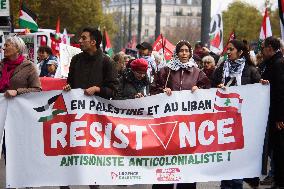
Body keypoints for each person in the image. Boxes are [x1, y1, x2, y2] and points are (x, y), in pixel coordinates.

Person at [62, 27, 118, 189]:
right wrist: (67, 87)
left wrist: (97, 89)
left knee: (92, 154)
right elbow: (70, 83)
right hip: (76, 117)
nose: (80, 41)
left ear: (93, 42)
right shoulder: (76, 60)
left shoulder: (107, 62)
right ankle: (66, 182)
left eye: (83, 38)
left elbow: (114, 90)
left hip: (96, 120)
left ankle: (94, 184)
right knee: (71, 151)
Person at [151, 40, 210, 189]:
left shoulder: (197, 72)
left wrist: (200, 90)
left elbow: (208, 90)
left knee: (187, 162)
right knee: (166, 160)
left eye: (186, 51)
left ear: (190, 53)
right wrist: (161, 92)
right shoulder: (165, 70)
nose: (184, 53)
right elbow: (153, 89)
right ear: (176, 53)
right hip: (168, 125)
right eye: (181, 51)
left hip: (189, 126)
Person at [212, 39, 261, 189]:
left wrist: (263, 85)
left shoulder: (251, 70)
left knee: (239, 154)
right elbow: (211, 87)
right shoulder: (221, 69)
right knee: (226, 154)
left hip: (243, 120)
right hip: (224, 120)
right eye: (227, 49)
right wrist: (217, 87)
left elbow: (258, 93)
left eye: (231, 49)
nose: (228, 52)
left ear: (240, 52)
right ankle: (225, 184)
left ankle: (237, 183)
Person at [0, 35, 41, 189]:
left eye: (7, 45)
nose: (4, 48)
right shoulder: (1, 65)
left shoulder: (29, 67)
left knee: (22, 151)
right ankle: (12, 182)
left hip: (21, 118)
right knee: (7, 152)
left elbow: (37, 90)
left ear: (17, 48)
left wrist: (17, 92)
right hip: (4, 117)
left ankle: (26, 182)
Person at [259, 37, 284, 189]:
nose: (261, 51)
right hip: (273, 113)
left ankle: (280, 181)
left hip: (277, 116)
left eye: (263, 48)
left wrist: (280, 117)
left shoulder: (278, 64)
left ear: (269, 48)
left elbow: (281, 91)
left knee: (279, 150)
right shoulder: (272, 63)